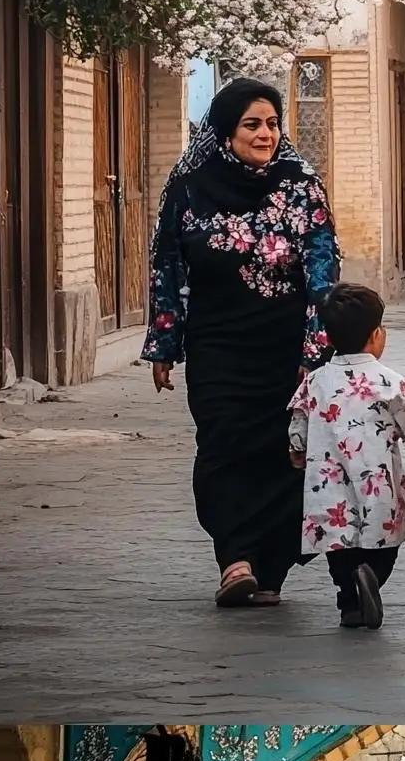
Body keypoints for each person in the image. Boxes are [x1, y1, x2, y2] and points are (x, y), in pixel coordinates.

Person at [143, 78, 340, 608]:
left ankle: (270, 567)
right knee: (223, 449)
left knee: (284, 456)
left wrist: (316, 348)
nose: (266, 134)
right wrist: (164, 343)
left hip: (285, 350)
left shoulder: (302, 186)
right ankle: (235, 559)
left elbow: (323, 269)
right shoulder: (190, 186)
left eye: (273, 123)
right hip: (218, 348)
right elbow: (168, 265)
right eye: (252, 124)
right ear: (227, 130)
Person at [287, 282, 405, 631]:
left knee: (338, 546)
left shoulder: (314, 382)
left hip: (328, 486)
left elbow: (298, 425)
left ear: (327, 337)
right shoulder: (390, 382)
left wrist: (298, 452)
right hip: (378, 484)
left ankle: (349, 604)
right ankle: (372, 574)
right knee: (385, 544)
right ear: (376, 334)